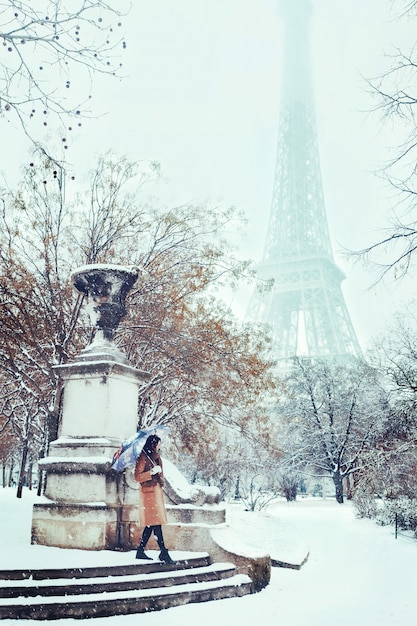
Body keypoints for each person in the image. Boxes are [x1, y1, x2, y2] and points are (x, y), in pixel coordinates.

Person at [133, 434, 175, 564]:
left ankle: (141, 551)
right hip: (148, 494)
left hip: (156, 493)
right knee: (155, 522)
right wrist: (150, 473)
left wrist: (158, 473)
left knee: (152, 523)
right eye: (158, 444)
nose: (159, 446)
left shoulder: (157, 458)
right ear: (153, 444)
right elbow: (137, 477)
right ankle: (163, 552)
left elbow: (160, 475)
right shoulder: (143, 457)